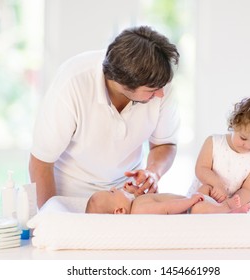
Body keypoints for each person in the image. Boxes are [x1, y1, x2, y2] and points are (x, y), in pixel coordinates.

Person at [29, 26, 181, 208]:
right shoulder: (73, 82)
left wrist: (153, 172)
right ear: (124, 83)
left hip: (126, 195)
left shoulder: (158, 81)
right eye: (152, 91)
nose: (161, 95)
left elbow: (165, 144)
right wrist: (52, 216)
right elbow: (41, 163)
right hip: (70, 197)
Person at [188, 96, 250, 208]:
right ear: (234, 123)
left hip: (233, 205)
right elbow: (201, 169)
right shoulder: (213, 142)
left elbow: (249, 190)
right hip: (204, 197)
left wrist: (231, 203)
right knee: (200, 199)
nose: (248, 146)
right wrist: (217, 185)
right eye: (243, 138)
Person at [85, 182, 250, 214]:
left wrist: (136, 191)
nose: (114, 188)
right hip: (188, 209)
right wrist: (189, 202)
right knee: (201, 208)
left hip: (187, 201)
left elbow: (152, 198)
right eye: (112, 192)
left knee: (205, 188)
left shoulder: (136, 203)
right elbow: (166, 208)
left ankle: (222, 207)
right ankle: (227, 208)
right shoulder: (140, 210)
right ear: (120, 211)